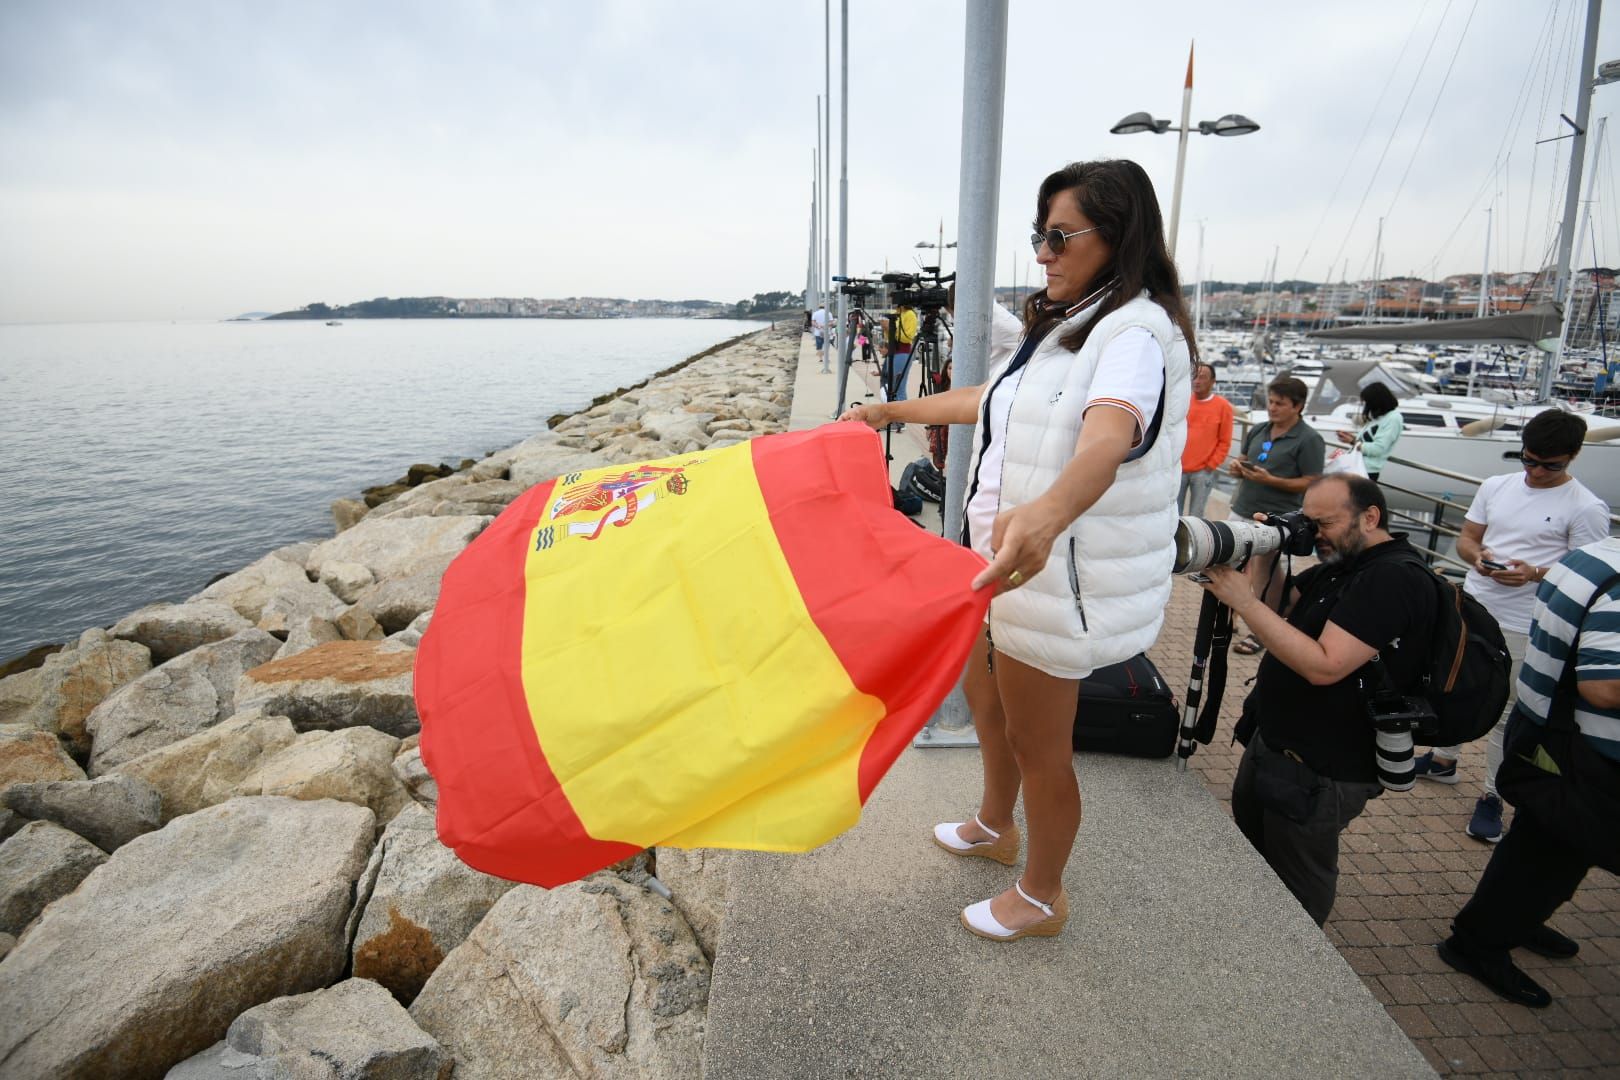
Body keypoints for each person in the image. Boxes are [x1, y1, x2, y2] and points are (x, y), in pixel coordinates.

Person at [838, 159, 1193, 941]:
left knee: (1042, 746)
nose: (1042, 252)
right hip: (996, 567)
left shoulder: (1134, 331)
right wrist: (887, 408)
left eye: (1060, 236)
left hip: (1049, 574)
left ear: (1118, 235)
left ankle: (1042, 896)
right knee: (989, 709)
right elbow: (989, 399)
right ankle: (996, 827)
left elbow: (1111, 433)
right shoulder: (1067, 323)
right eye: (1041, 235)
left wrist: (1046, 513)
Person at [1199, 474, 1439, 925]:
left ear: (1370, 518)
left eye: (1323, 522)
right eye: (1307, 522)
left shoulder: (1392, 579)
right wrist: (1270, 550)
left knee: (1297, 881)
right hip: (1275, 744)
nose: (1314, 534)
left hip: (1322, 768)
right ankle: (1248, 936)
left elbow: (1325, 665)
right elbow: (1283, 612)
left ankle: (1294, 966)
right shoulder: (1342, 562)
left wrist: (1243, 603)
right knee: (1252, 859)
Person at [1439, 535, 1620, 1008]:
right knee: (1552, 850)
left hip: (1546, 731)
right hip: (1583, 753)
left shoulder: (1591, 555)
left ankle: (1514, 922)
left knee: (1545, 845)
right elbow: (1604, 687)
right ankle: (1479, 944)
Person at [1413, 410, 1609, 842]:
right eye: (1529, 460)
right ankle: (1444, 759)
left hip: (1530, 621)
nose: (1536, 471)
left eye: (1549, 465)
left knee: (1505, 711)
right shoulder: (1495, 486)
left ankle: (1493, 796)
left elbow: (1589, 577)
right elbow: (1466, 538)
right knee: (1454, 683)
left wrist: (1534, 573)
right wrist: (1477, 558)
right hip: (1477, 607)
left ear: (1573, 457)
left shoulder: (1586, 508)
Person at [1228, 377, 1325, 655]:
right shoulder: (1259, 429)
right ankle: (1230, 618)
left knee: (1265, 579)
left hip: (1277, 519)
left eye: (1279, 403)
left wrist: (1272, 480)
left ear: (1298, 406)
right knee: (1231, 566)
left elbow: (1312, 481)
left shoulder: (1309, 439)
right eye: (1271, 401)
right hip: (1242, 509)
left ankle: (1261, 633)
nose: (1272, 408)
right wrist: (1238, 468)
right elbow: (1245, 458)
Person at [1180, 361, 1233, 516]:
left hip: (1203, 471)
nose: (1197, 381)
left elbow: (1225, 440)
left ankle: (1193, 541)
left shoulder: (1223, 406)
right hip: (1178, 468)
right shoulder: (1184, 402)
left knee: (1197, 514)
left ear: (1213, 381)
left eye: (1203, 377)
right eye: (1195, 376)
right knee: (1173, 511)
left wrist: (1211, 465)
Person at [1334, 382, 1403, 481]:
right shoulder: (1378, 416)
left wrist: (1353, 442)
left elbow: (1378, 449)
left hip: (1366, 471)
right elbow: (1367, 442)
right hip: (1357, 466)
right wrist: (1352, 438)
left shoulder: (1393, 418)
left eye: (1368, 402)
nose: (1366, 406)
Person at [883, 299, 920, 403]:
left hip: (902, 352)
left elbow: (908, 337)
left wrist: (891, 330)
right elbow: (888, 338)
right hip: (893, 352)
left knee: (898, 387)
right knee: (890, 386)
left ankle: (901, 415)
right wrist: (886, 329)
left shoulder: (910, 314)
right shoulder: (896, 313)